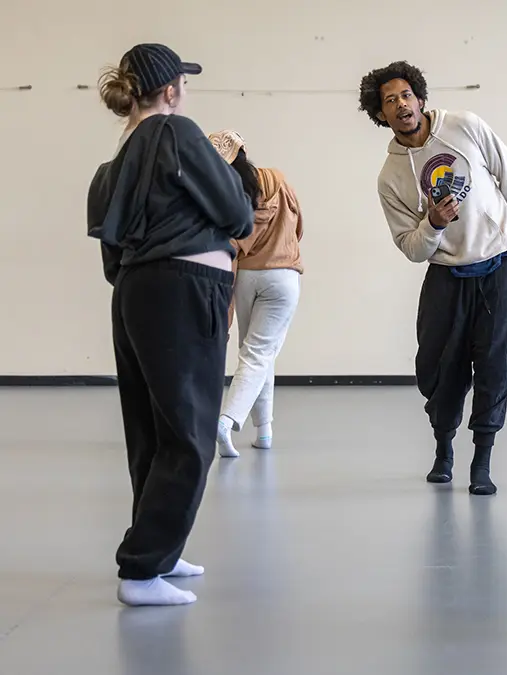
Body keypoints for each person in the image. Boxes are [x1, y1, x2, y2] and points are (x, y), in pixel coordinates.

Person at [87, 44, 255, 606]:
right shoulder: (178, 135)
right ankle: (141, 571)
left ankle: (156, 547)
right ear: (169, 90)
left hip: (136, 294)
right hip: (186, 291)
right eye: (185, 82)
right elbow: (237, 214)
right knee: (188, 435)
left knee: (152, 431)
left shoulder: (109, 171)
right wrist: (233, 166)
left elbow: (112, 259)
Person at [358, 61, 507, 496]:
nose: (400, 105)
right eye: (389, 102)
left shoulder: (466, 126)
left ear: (419, 98)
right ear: (381, 116)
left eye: (405, 95)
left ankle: (483, 460)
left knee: (499, 360)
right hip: (447, 274)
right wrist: (432, 224)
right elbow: (413, 250)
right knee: (440, 367)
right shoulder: (390, 178)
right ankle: (443, 448)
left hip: (500, 260)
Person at [207, 130, 304, 458]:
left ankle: (264, 430)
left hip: (246, 277)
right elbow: (299, 224)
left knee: (256, 354)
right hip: (283, 276)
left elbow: (228, 242)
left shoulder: (228, 196)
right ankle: (227, 419)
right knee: (260, 353)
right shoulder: (278, 180)